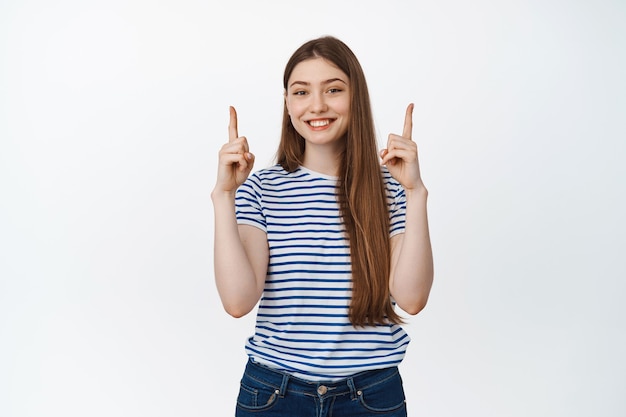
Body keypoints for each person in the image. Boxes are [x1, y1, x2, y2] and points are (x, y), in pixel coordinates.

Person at [211, 36, 433, 417]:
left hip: (371, 397)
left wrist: (416, 193)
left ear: (356, 97)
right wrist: (223, 196)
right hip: (273, 396)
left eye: (333, 89)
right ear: (287, 104)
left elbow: (411, 298)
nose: (317, 105)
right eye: (301, 92)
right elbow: (237, 302)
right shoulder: (260, 189)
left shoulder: (392, 188)